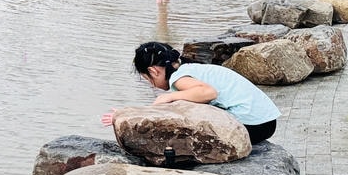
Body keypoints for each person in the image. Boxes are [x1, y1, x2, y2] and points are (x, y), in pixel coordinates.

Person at [101, 41, 281, 144]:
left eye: (148, 80)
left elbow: (208, 92)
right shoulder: (189, 68)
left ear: (153, 71)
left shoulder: (178, 79)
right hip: (265, 120)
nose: (152, 86)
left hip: (254, 125)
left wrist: (169, 96)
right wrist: (128, 114)